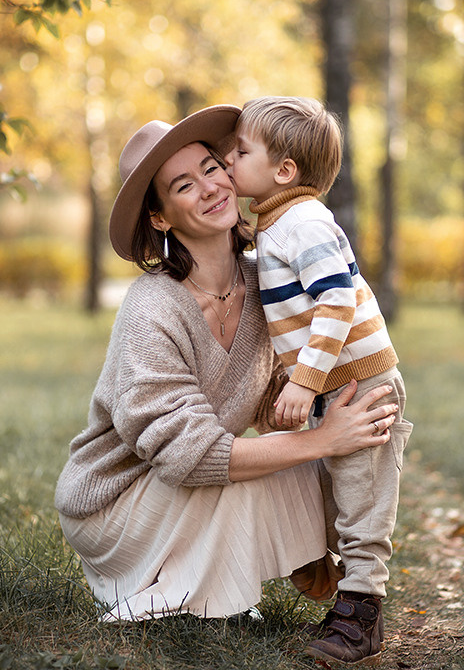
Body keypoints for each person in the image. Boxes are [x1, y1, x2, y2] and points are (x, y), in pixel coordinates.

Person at [53, 104, 400, 628]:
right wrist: (322, 439)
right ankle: (209, 573)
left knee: (350, 463)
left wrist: (334, 410)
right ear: (160, 216)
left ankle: (340, 583)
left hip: (198, 476)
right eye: (183, 186)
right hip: (120, 503)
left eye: (212, 169)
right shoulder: (153, 307)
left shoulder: (267, 281)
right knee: (269, 471)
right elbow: (187, 456)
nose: (210, 188)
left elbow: (267, 392)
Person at [225, 95, 412, 664]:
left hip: (361, 386)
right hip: (331, 386)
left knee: (362, 503)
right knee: (321, 487)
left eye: (239, 151)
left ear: (283, 171)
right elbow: (294, 315)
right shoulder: (277, 221)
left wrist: (305, 380)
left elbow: (335, 300)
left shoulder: (303, 222)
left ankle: (362, 614)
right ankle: (317, 559)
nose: (227, 161)